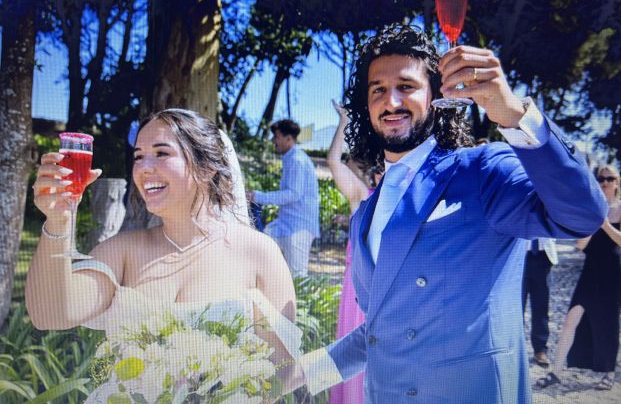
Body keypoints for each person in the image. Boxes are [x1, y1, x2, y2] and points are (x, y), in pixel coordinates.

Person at [295, 24, 607, 403]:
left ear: (435, 95)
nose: (391, 101)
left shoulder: (482, 171)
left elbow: (582, 215)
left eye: (406, 86)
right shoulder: (366, 215)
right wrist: (291, 377)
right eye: (378, 90)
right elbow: (379, 334)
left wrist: (513, 114)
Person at [25, 108, 301, 401]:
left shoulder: (259, 252)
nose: (144, 167)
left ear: (206, 167)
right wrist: (58, 222)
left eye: (161, 153)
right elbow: (49, 314)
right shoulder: (122, 251)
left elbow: (282, 370)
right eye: (138, 156)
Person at [536, 164, 621, 391]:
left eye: (610, 178)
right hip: (591, 269)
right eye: (601, 179)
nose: (606, 183)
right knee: (571, 318)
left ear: (618, 182)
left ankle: (609, 372)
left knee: (609, 321)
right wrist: (594, 218)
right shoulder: (591, 209)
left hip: (612, 272)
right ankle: (555, 371)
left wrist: (604, 222)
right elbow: (580, 245)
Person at [327, 99, 381, 404]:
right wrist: (344, 124)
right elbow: (334, 161)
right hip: (358, 288)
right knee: (354, 354)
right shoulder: (362, 196)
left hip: (387, 289)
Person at [249, 119, 320, 278]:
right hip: (286, 224)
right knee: (263, 246)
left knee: (297, 277)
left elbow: (293, 194)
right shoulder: (291, 157)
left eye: (277, 136)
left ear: (289, 139)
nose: (274, 140)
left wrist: (258, 196)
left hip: (298, 228)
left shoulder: (297, 160)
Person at [522, 237, 558, 368]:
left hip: (544, 256)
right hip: (519, 255)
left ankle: (540, 349)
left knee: (541, 307)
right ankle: (515, 349)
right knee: (516, 308)